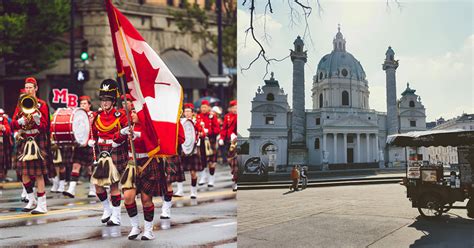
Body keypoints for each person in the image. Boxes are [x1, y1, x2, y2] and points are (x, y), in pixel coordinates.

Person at [118, 106, 163, 240]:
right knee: (128, 197)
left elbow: (155, 144)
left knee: (146, 199)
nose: (131, 114)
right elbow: (115, 142)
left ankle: (148, 230)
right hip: (132, 164)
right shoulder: (129, 126)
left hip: (147, 163)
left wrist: (139, 135)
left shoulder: (149, 127)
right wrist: (122, 132)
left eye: (134, 112)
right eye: (131, 111)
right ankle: (135, 227)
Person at [90, 79, 128, 225]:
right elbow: (93, 132)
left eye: (108, 100)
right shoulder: (97, 116)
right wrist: (90, 140)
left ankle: (116, 216)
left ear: (113, 101)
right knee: (98, 185)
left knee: (113, 184)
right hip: (101, 151)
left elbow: (126, 132)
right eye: (103, 100)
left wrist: (119, 138)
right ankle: (107, 209)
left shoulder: (121, 115)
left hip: (115, 150)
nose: (104, 103)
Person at [12, 77, 50, 214]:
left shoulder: (42, 104)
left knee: (38, 173)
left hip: (37, 139)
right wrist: (20, 122)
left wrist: (38, 120)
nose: (28, 90)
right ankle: (31, 199)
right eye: (26, 87)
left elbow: (45, 126)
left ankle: (42, 204)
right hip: (25, 139)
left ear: (36, 88)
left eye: (30, 87)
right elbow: (13, 124)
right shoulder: (21, 104)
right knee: (24, 173)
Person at [66, 95, 96, 198]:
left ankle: (92, 189)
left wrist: (93, 140)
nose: (82, 105)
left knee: (90, 169)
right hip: (80, 145)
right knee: (75, 166)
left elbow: (97, 129)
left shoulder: (93, 115)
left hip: (89, 145)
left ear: (89, 105)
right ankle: (71, 189)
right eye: (81, 104)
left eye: (84, 104)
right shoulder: (77, 115)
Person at [179, 103, 203, 199]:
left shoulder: (197, 121)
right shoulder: (181, 122)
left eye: (189, 111)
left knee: (193, 172)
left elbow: (201, 132)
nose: (187, 113)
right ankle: (180, 190)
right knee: (179, 171)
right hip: (183, 148)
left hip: (193, 148)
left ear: (192, 113)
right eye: (185, 111)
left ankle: (193, 191)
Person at [196, 100, 220, 187]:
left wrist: (208, 131)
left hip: (211, 141)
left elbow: (217, 130)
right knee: (202, 160)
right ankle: (203, 177)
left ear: (208, 107)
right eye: (202, 107)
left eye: (205, 107)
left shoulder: (212, 116)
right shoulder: (198, 116)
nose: (203, 109)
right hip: (201, 141)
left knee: (211, 161)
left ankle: (211, 179)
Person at [218, 100, 238, 191]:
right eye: (234, 107)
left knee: (236, 162)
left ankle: (236, 181)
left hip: (237, 141)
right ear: (231, 108)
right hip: (228, 141)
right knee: (230, 161)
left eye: (237, 107)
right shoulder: (227, 116)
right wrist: (221, 138)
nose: (235, 109)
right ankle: (234, 175)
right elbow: (224, 128)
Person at [0, 108, 12, 181]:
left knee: (4, 159)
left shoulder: (4, 119)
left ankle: (3, 176)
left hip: (4, 141)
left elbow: (8, 129)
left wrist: (3, 128)